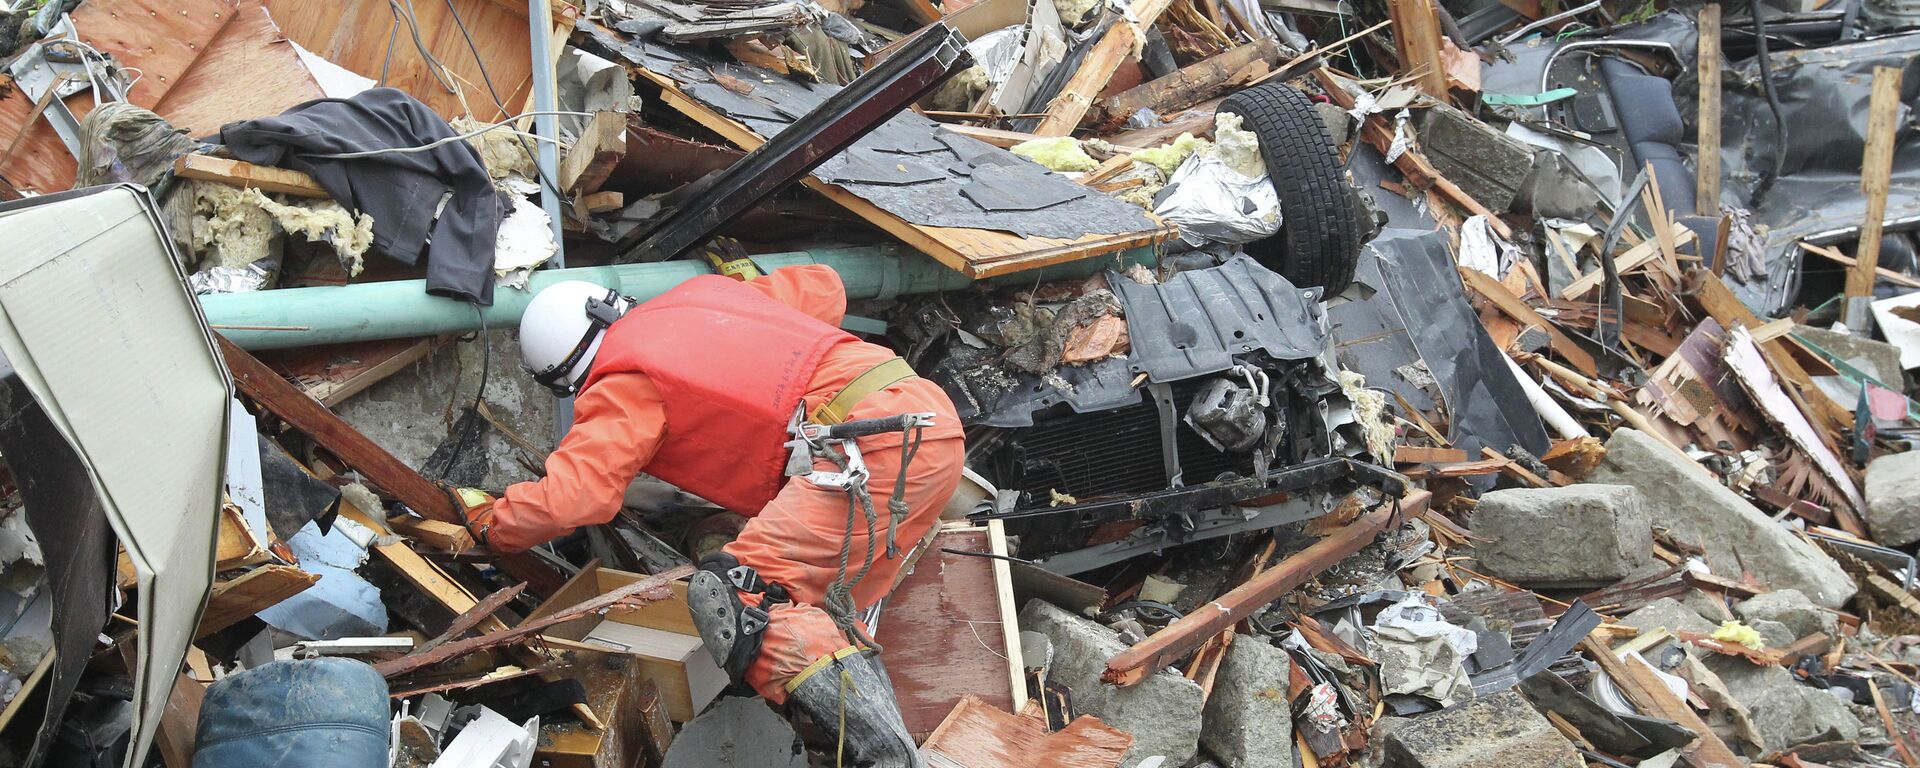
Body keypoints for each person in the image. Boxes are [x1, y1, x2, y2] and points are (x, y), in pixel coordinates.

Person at [453, 264, 963, 767]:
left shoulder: (622, 381)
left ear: (566, 375)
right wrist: (742, 287)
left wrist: (495, 523)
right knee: (814, 609)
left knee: (736, 596)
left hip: (869, 450)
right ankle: (847, 748)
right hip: (923, 420)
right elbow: (825, 285)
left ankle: (888, 758)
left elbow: (575, 497)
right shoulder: (705, 295)